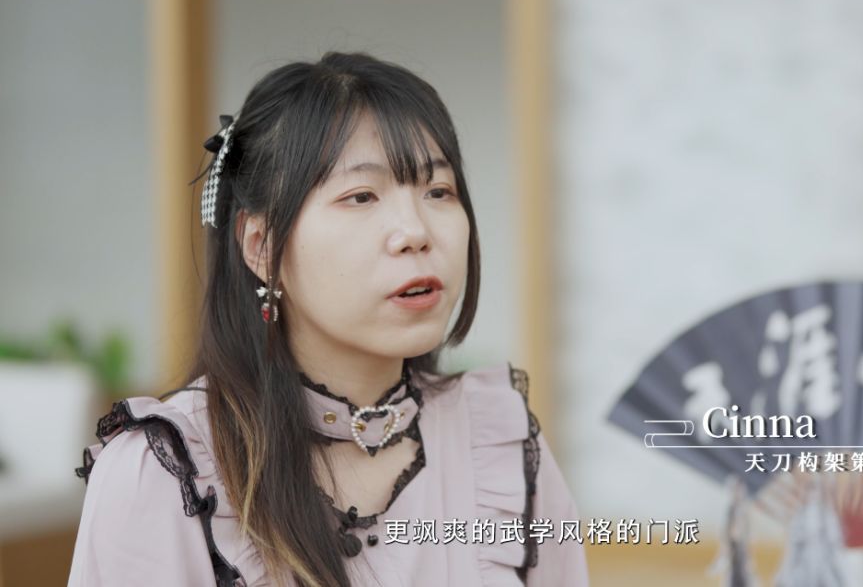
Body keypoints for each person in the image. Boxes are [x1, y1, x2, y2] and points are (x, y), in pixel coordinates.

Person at [67, 51, 589, 587]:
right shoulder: (167, 472)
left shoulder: (498, 445)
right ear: (261, 245)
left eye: (438, 191)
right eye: (361, 196)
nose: (415, 231)